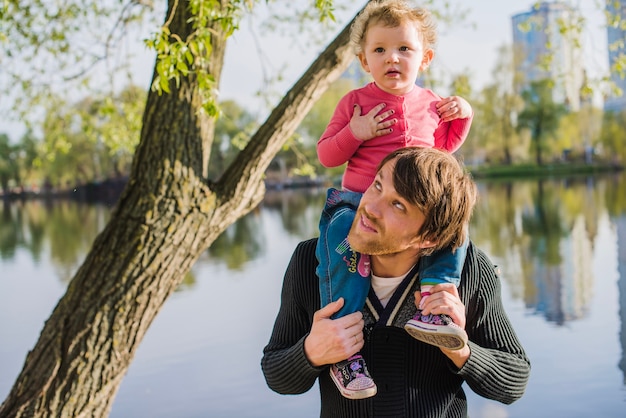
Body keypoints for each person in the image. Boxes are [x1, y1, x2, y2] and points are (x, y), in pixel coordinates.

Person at [262, 147, 531, 417]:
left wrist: (461, 350)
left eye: (398, 205)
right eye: (377, 185)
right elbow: (276, 375)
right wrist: (311, 352)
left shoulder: (469, 270)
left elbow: (514, 382)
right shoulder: (312, 262)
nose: (370, 207)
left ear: (429, 238)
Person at [315, 0, 473, 399]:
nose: (392, 58)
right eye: (380, 50)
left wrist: (463, 116)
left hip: (414, 217)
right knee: (338, 234)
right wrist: (357, 131)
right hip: (357, 205)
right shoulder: (354, 103)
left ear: (425, 58)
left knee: (455, 221)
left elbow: (444, 157)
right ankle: (344, 348)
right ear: (364, 61)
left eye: (404, 49)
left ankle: (437, 304)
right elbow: (327, 155)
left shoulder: (431, 104)